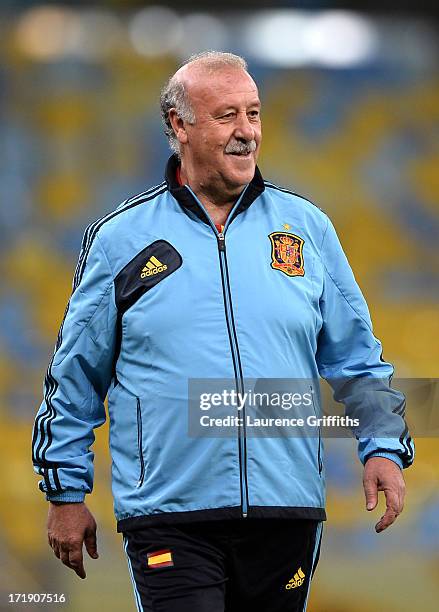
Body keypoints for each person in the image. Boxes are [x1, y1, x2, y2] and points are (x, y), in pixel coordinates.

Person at [32, 51, 414, 612]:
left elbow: (357, 358)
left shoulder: (307, 229)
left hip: (286, 513)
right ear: (178, 127)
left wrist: (382, 447)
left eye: (253, 114)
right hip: (169, 515)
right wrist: (66, 492)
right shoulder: (120, 240)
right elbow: (75, 375)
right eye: (227, 115)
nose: (246, 132)